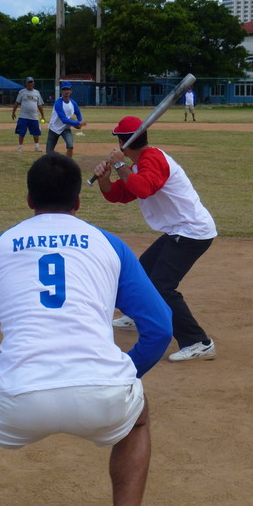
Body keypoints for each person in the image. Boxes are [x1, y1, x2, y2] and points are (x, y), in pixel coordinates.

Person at [0, 152, 173, 506]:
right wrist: (124, 373)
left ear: (29, 199)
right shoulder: (109, 243)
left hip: (16, 397)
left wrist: (5, 366)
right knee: (137, 420)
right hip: (103, 392)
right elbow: (159, 328)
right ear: (78, 204)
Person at [93, 116, 217, 363]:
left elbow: (143, 189)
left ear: (123, 141)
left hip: (192, 232)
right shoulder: (138, 165)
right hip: (177, 231)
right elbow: (119, 194)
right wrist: (105, 178)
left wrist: (119, 166)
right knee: (144, 269)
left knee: (162, 287)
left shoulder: (154, 159)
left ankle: (198, 342)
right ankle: (137, 314)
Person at [46, 81, 86, 158]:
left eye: (68, 89)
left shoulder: (73, 103)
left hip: (65, 129)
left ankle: (67, 164)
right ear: (61, 91)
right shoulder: (58, 103)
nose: (66, 91)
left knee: (70, 146)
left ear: (71, 91)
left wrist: (80, 121)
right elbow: (64, 120)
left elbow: (78, 113)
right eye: (64, 89)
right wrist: (77, 123)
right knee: (49, 152)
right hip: (54, 129)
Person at [12, 76, 45, 152]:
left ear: (33, 83)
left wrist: (42, 116)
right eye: (28, 82)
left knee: (36, 132)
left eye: (31, 82)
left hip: (34, 117)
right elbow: (17, 103)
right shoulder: (22, 92)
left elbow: (39, 105)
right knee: (21, 132)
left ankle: (37, 147)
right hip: (23, 116)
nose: (30, 83)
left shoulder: (37, 92)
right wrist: (13, 112)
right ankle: (20, 147)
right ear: (26, 83)